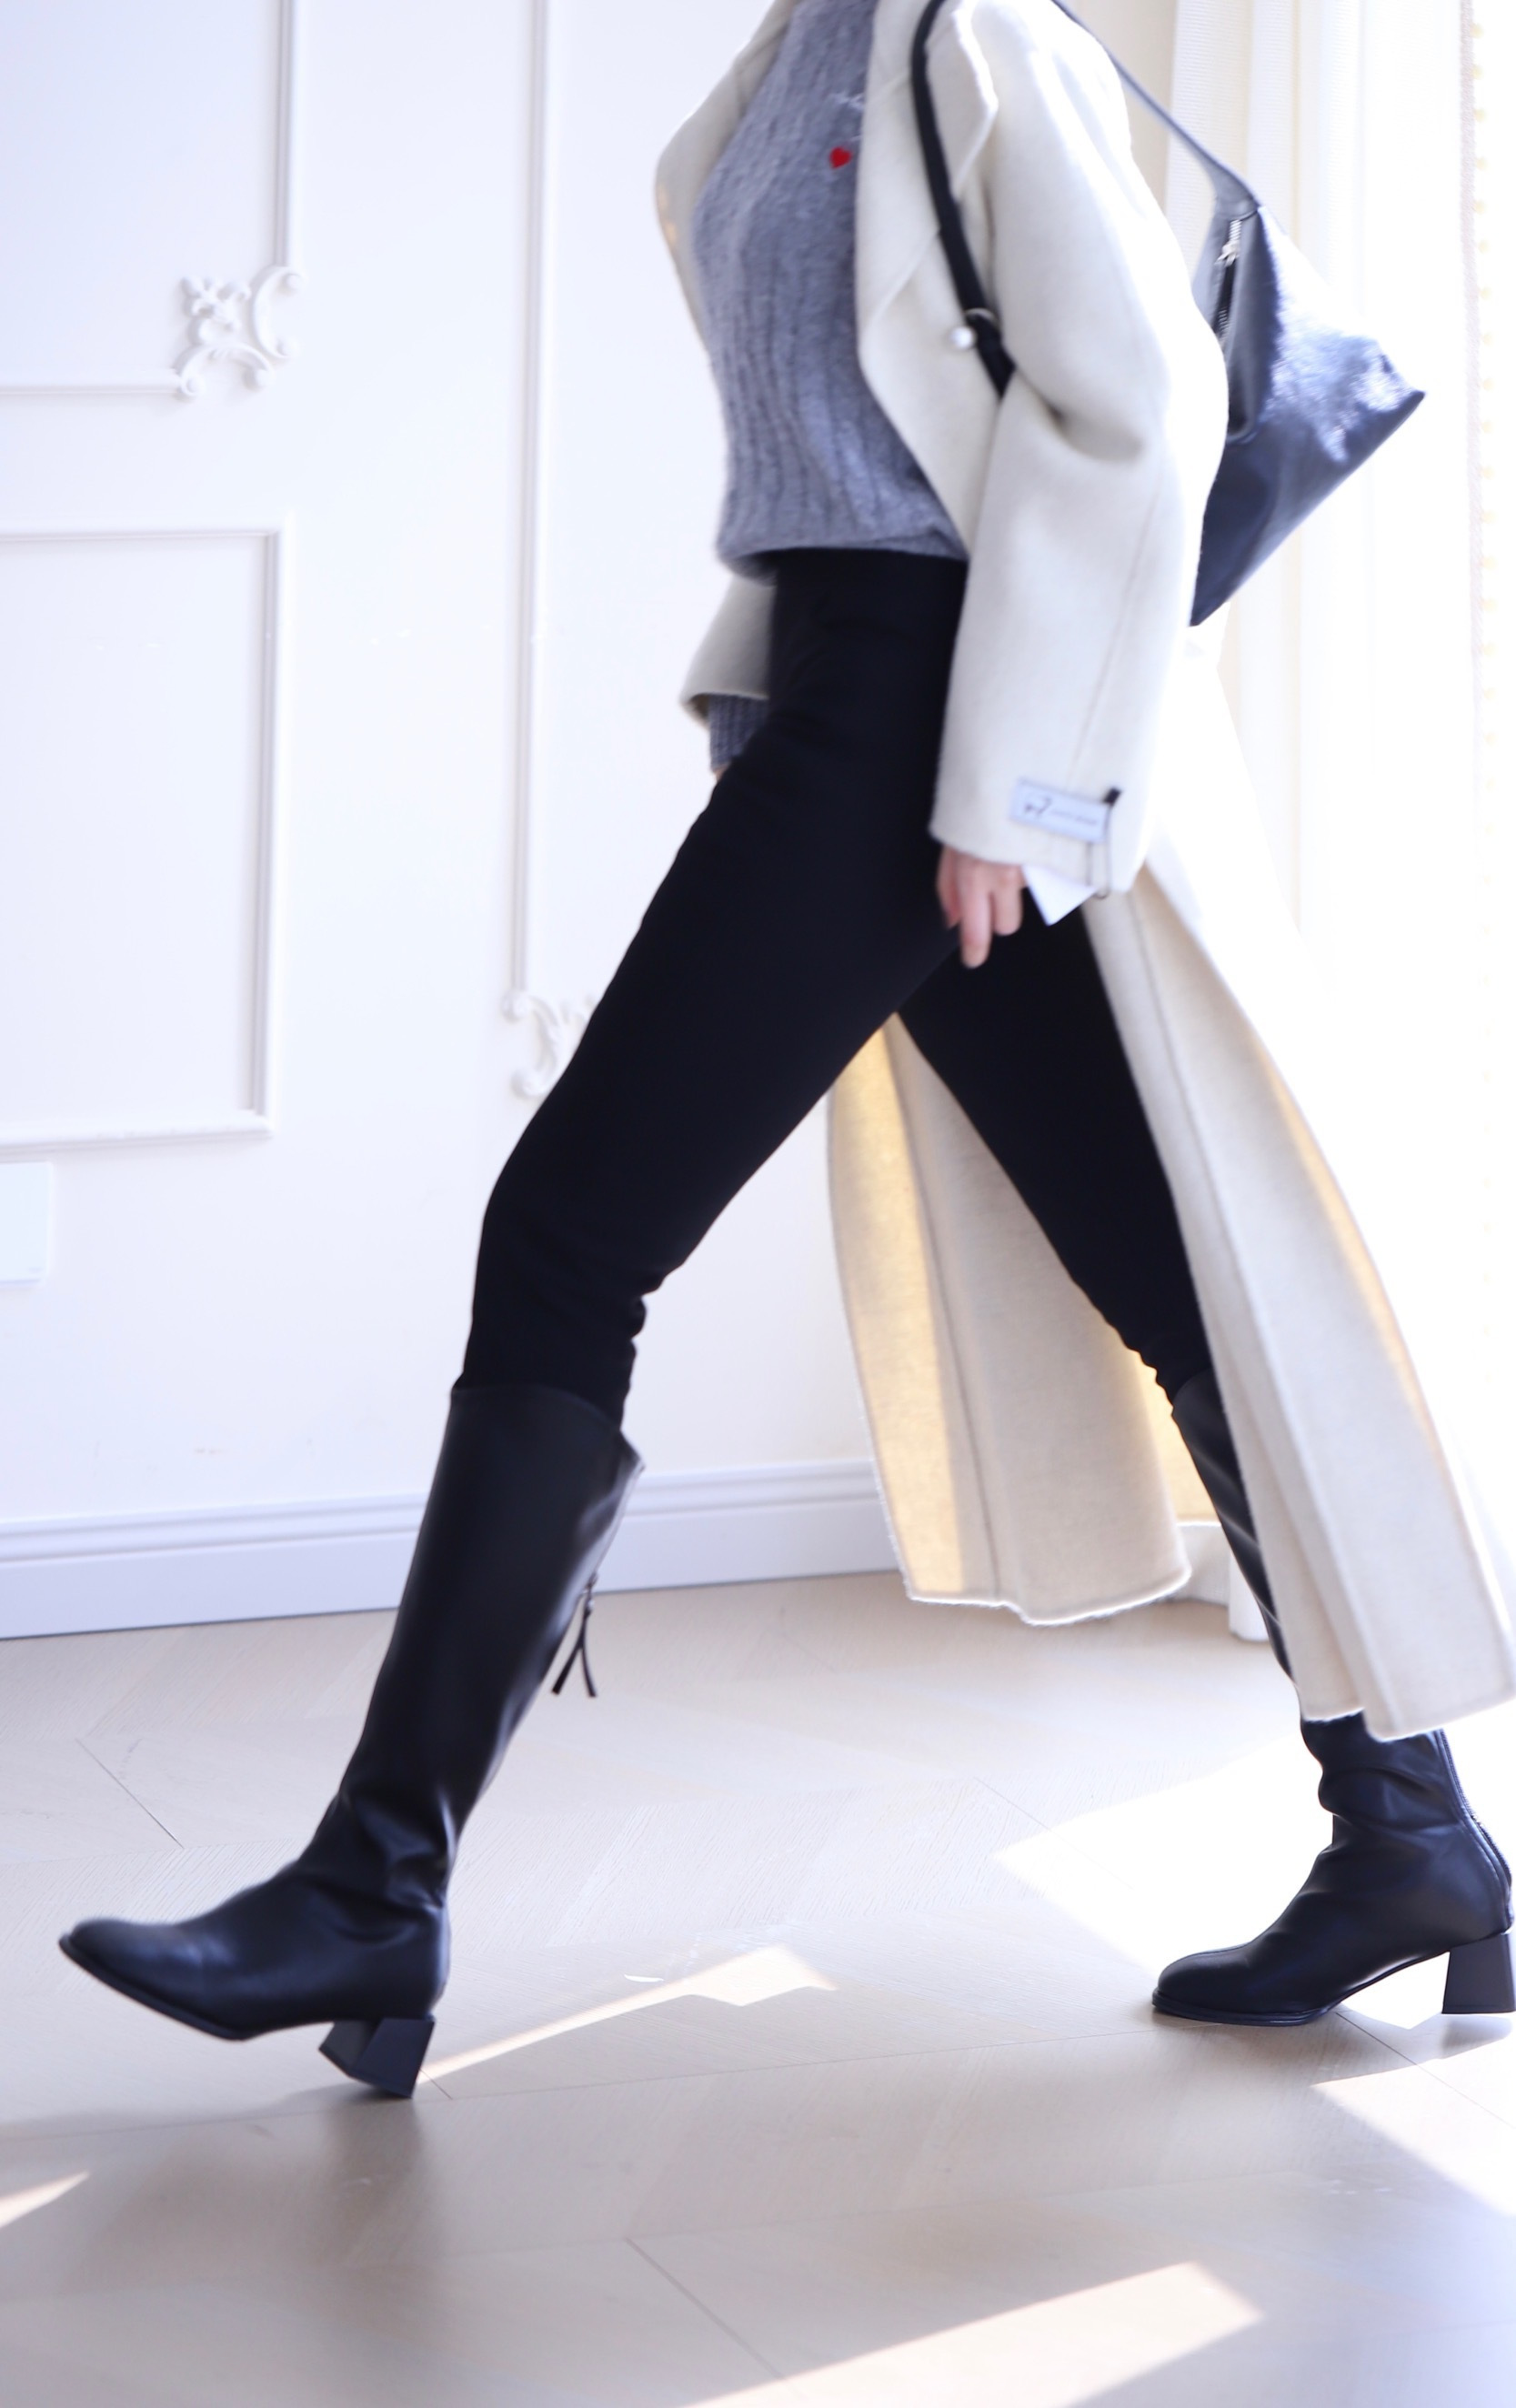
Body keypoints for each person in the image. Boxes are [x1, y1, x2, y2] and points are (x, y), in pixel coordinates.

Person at [60, 0, 1515, 2097]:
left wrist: (1013, 785)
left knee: (570, 1230)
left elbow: (1139, 395)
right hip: (855, 687)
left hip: (935, 713)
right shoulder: (790, 63)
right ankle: (1412, 1829)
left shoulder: (970, 34)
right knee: (1165, 1265)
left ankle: (376, 1882)